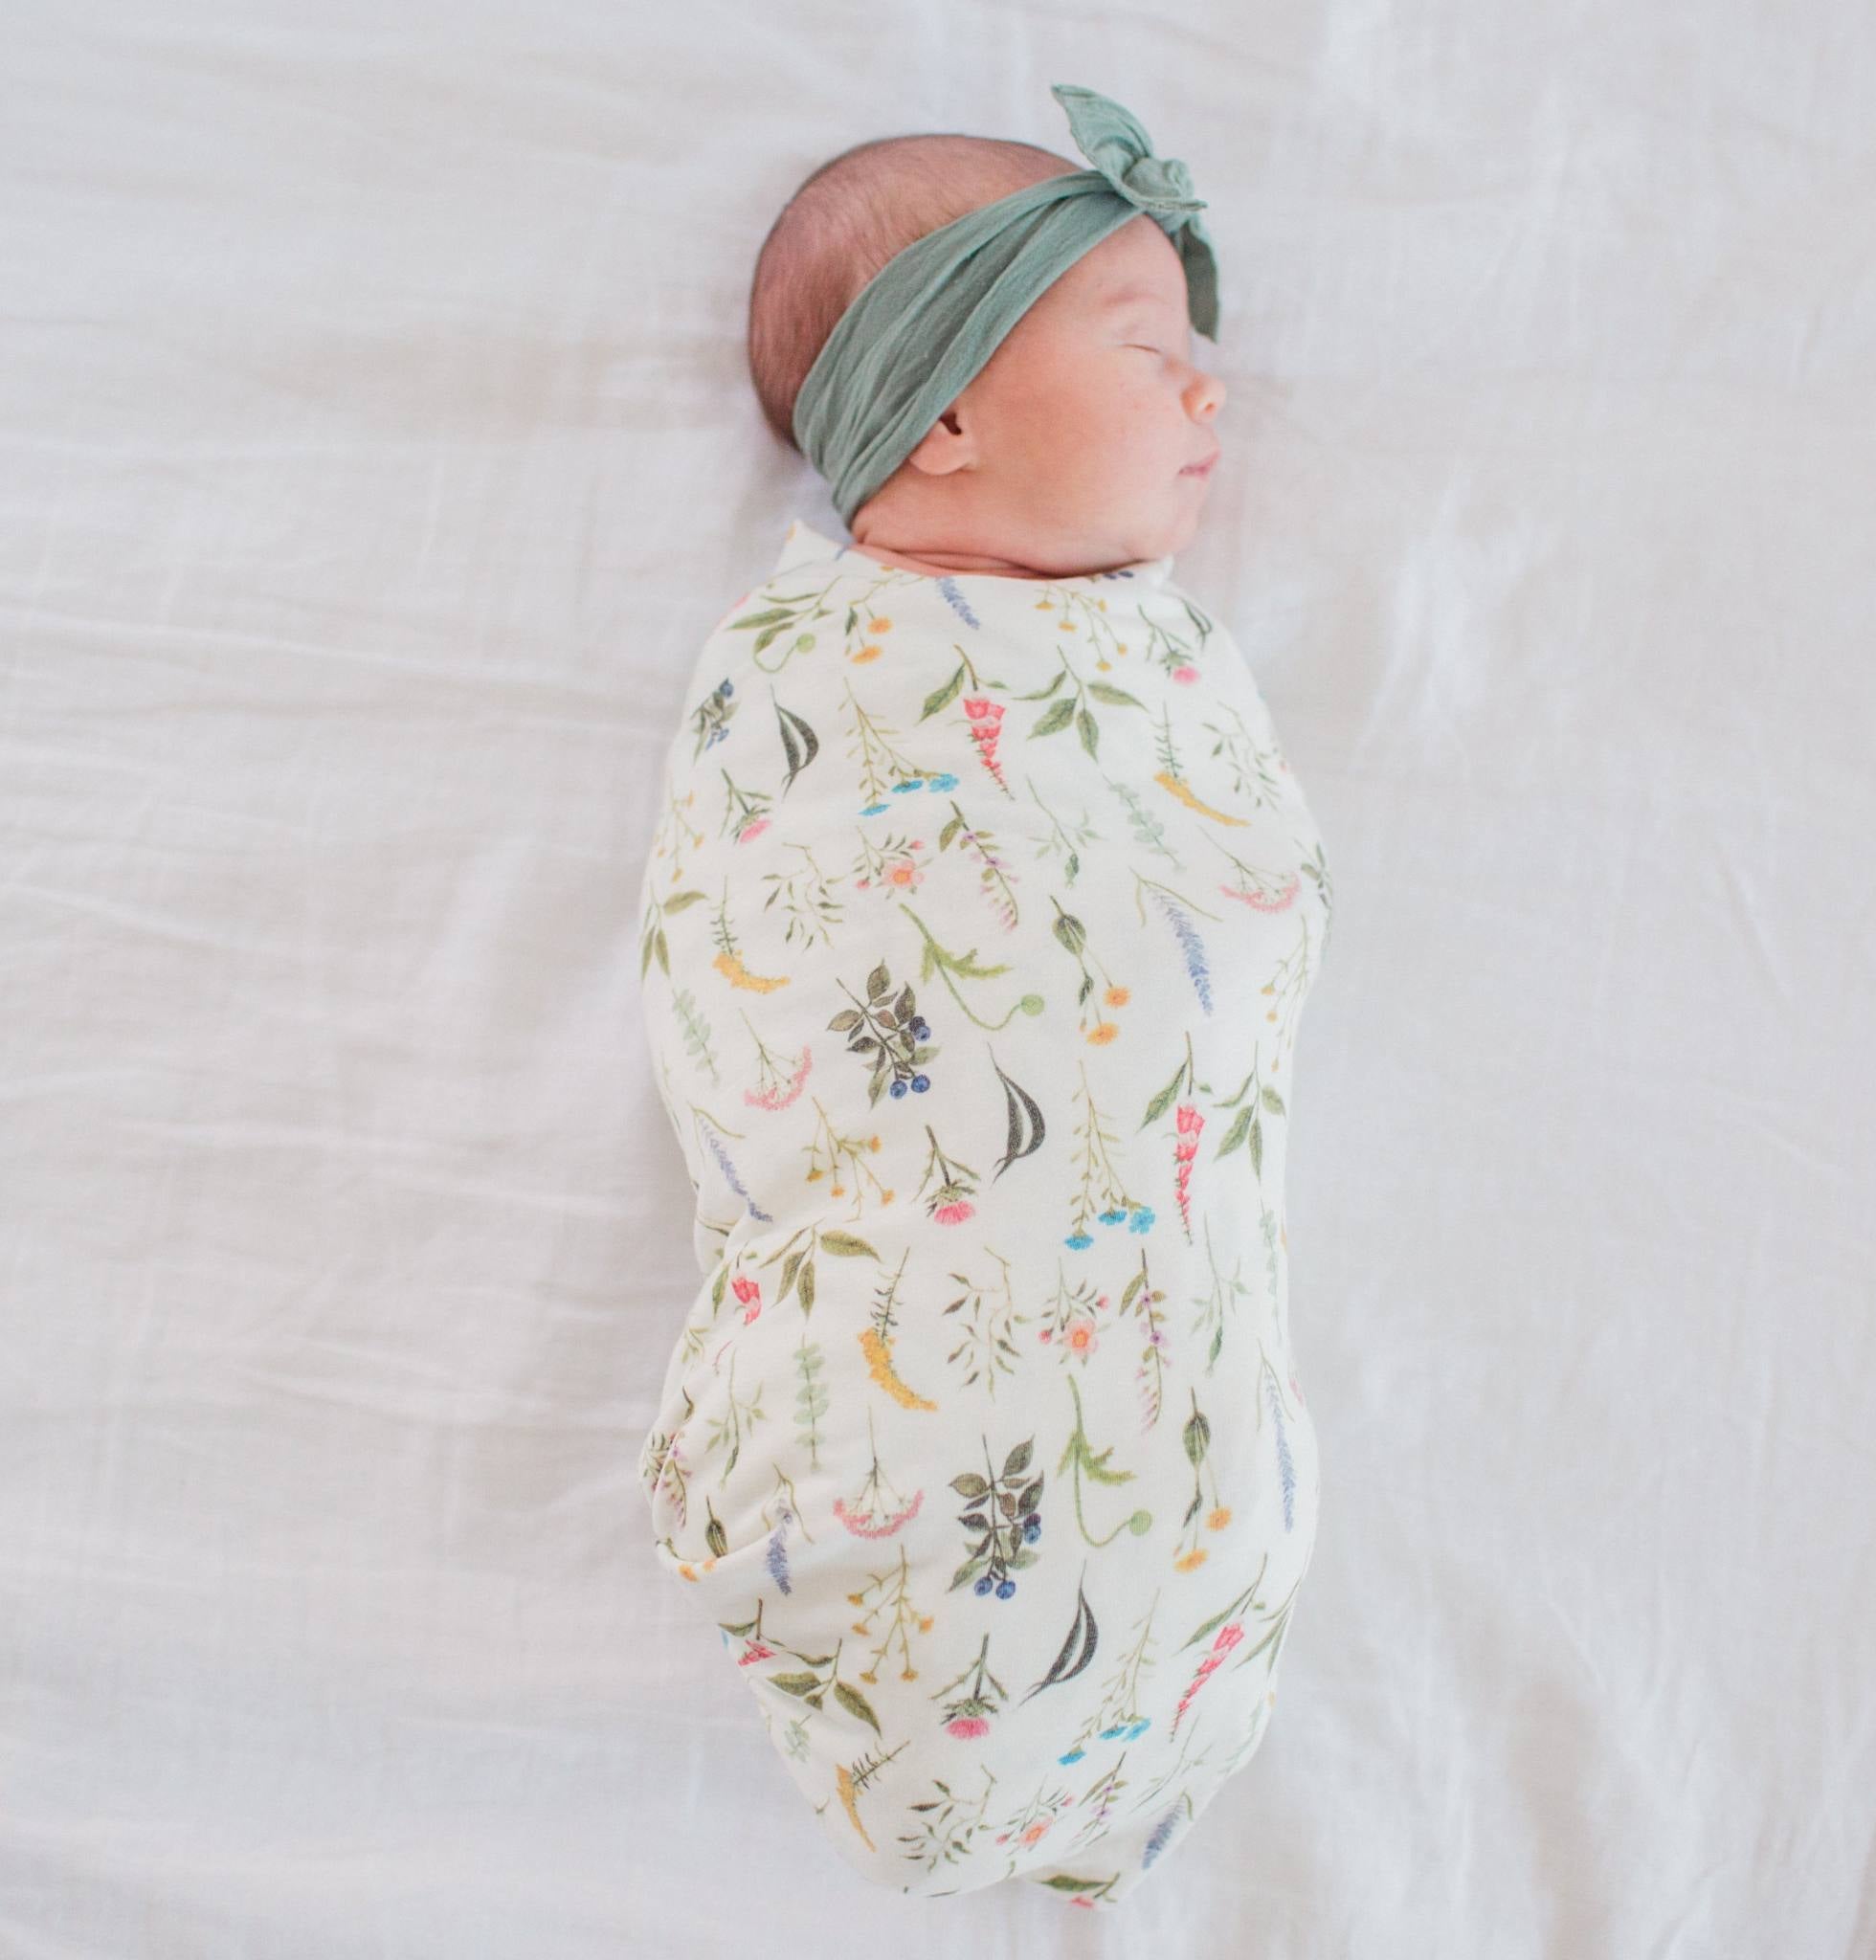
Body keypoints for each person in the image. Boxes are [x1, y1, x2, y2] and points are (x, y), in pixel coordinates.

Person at [636, 83, 1334, 1905]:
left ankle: (1131, 1716)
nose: (1209, 395)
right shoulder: (818, 678)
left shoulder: (1158, 666)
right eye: (1148, 350)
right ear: (946, 413)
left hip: (1194, 1443)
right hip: (905, 1405)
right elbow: (763, 964)